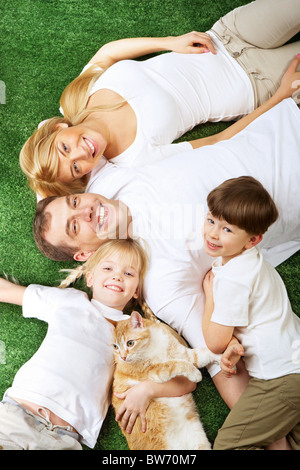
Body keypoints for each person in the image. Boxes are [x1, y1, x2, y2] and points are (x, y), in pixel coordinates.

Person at [31, 88, 300, 416]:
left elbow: (52, 144)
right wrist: (269, 436)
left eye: (75, 202)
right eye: (74, 227)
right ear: (86, 255)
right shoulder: (161, 282)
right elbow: (217, 360)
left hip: (287, 117)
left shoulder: (118, 176)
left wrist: (281, 97)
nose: (84, 211)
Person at [19, 0, 300, 198]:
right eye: (76, 168)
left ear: (59, 128)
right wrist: (280, 98)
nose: (81, 153)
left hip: (225, 35)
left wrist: (170, 42)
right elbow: (217, 141)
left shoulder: (75, 99)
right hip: (256, 83)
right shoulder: (135, 160)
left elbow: (107, 54)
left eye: (65, 148)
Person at [0, 239, 195, 449]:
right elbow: (8, 291)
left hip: (64, 438)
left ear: (136, 290)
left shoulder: (137, 331)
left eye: (128, 273)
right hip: (17, 413)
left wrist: (148, 390)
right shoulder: (67, 301)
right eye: (108, 268)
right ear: (90, 277)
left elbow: (188, 378)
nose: (117, 275)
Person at [202, 177, 300, 450]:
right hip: (292, 365)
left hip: (282, 376)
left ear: (252, 240)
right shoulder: (252, 264)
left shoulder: (234, 278)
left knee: (229, 445)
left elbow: (215, 342)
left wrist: (210, 296)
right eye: (211, 221)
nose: (212, 233)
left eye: (227, 229)